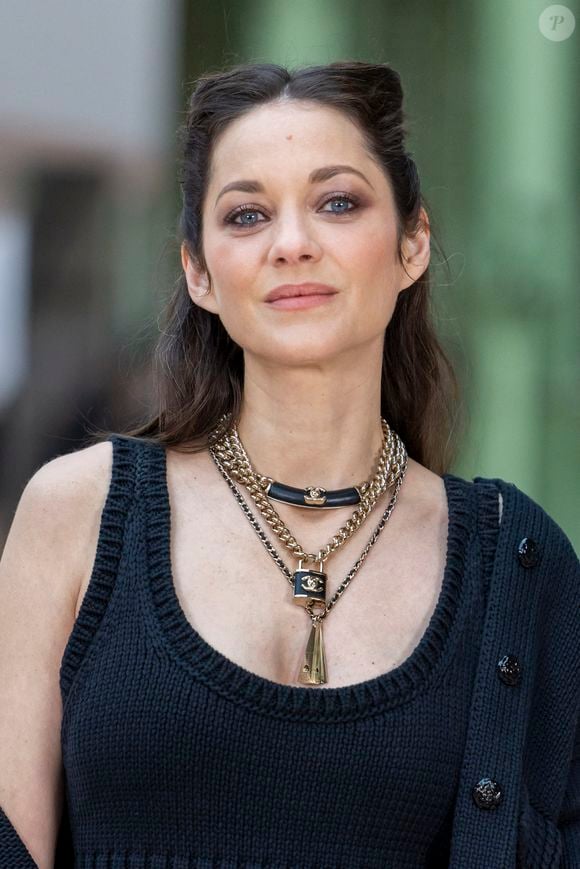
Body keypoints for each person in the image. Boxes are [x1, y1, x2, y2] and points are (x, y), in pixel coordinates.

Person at [0, 60, 578, 868]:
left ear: (413, 244)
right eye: (246, 215)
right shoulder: (76, 514)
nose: (293, 244)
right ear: (198, 271)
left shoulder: (521, 563)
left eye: (337, 202)